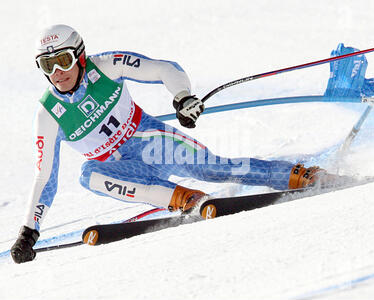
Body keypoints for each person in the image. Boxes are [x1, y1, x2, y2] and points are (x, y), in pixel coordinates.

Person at [11, 24, 341, 264]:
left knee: (212, 168)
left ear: (80, 57)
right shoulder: (49, 114)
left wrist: (182, 97)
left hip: (150, 141)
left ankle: (300, 175)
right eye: (47, 65)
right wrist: (29, 231)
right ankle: (181, 198)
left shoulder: (106, 66)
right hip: (124, 170)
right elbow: (45, 177)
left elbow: (165, 69)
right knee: (87, 175)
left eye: (64, 61)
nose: (58, 72)